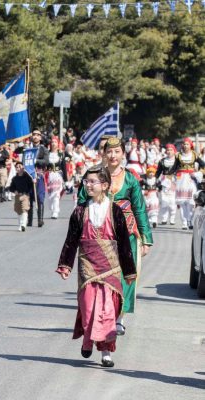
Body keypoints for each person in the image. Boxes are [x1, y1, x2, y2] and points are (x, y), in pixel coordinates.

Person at [57, 165, 137, 367]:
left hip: (110, 267)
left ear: (105, 185)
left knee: (108, 311)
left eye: (93, 182)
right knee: (89, 307)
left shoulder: (116, 211)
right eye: (86, 182)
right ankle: (87, 340)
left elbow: (125, 244)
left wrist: (129, 271)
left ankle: (106, 353)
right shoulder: (80, 211)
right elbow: (70, 240)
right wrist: (66, 264)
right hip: (87, 266)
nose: (88, 185)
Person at [77, 137, 153, 334]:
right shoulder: (93, 175)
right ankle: (99, 314)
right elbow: (81, 201)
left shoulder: (130, 179)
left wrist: (146, 238)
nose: (113, 156)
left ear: (122, 154)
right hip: (99, 234)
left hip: (126, 234)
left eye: (117, 152)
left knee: (126, 274)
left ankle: (119, 318)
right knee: (100, 276)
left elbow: (139, 208)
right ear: (104, 153)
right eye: (109, 152)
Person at [9, 161, 34, 232]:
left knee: (24, 209)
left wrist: (33, 182)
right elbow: (11, 187)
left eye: (20, 166)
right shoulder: (15, 178)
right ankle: (20, 224)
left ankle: (23, 225)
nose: (18, 168)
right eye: (17, 167)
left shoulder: (27, 177)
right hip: (17, 196)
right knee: (18, 210)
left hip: (25, 195)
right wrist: (14, 191)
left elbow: (31, 185)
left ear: (23, 168)